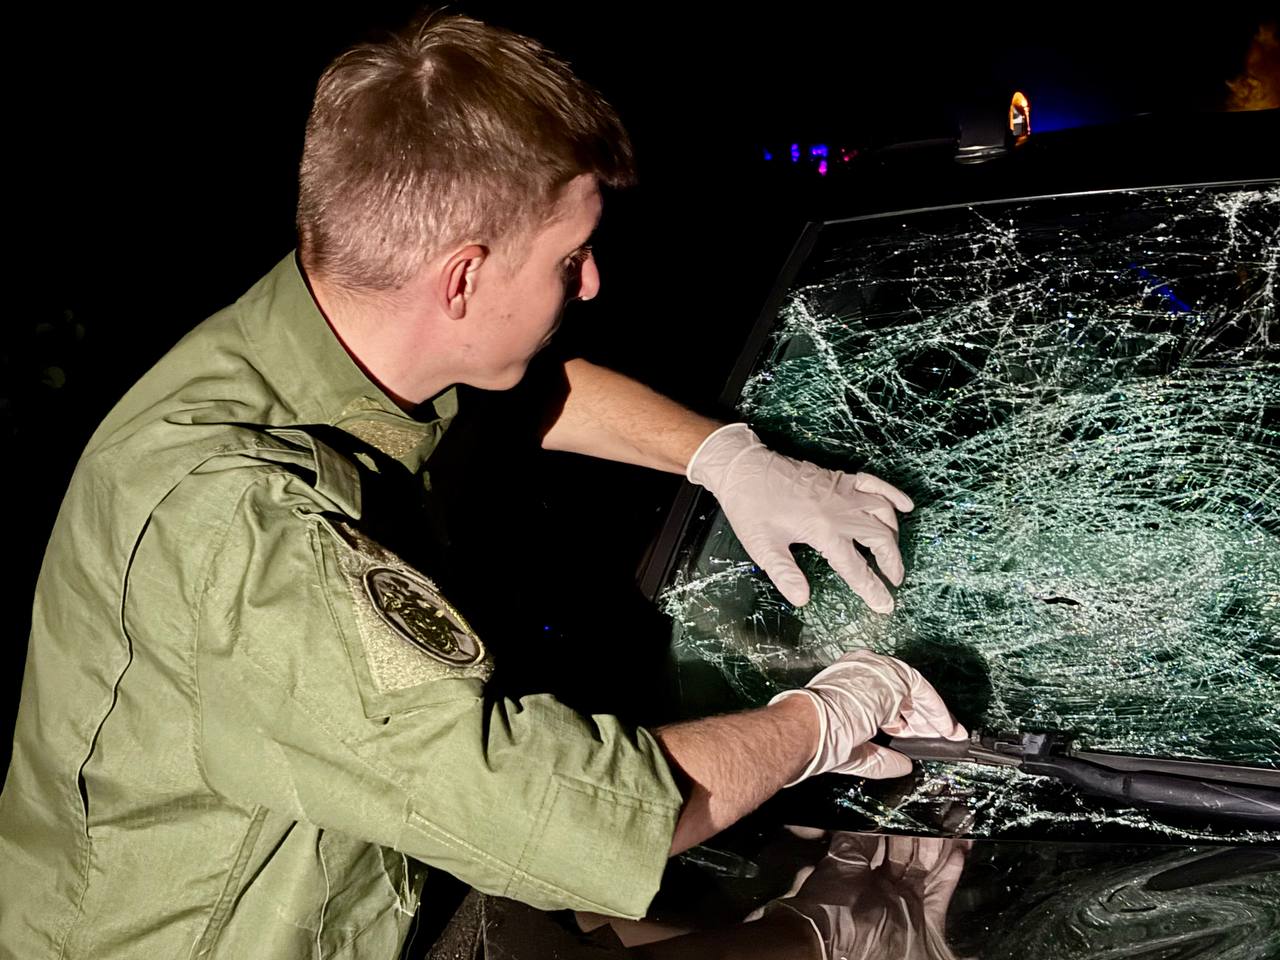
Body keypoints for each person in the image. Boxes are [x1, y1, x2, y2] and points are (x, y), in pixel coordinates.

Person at [0, 12, 965, 959]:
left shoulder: (320, 338)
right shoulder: (237, 522)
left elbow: (516, 388)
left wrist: (724, 456)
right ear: (460, 280)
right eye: (569, 257)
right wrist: (823, 718)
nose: (589, 286)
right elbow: (556, 817)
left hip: (363, 880)